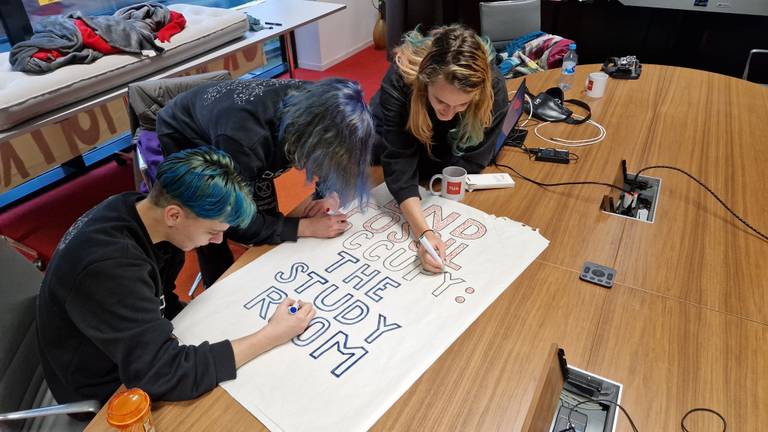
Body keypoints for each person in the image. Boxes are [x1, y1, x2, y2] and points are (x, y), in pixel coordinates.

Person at [37, 147, 316, 405]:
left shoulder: (145, 214)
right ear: (174, 215)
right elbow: (162, 376)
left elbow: (162, 300)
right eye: (211, 231)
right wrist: (271, 335)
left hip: (134, 342)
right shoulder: (110, 269)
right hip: (104, 387)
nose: (219, 241)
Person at [156, 77, 376, 286]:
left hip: (238, 130)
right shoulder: (247, 142)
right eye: (322, 162)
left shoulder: (325, 107)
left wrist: (329, 194)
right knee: (211, 225)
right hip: (186, 133)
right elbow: (235, 221)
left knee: (267, 215)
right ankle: (217, 284)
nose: (323, 168)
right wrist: (304, 226)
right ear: (308, 141)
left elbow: (334, 152)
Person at [370, 24, 509, 273]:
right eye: (440, 101)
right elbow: (399, 162)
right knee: (384, 164)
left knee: (441, 166)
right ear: (424, 83)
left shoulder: (494, 87)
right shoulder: (401, 80)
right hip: (388, 131)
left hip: (443, 149)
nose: (447, 114)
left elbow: (475, 157)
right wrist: (424, 233)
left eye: (462, 104)